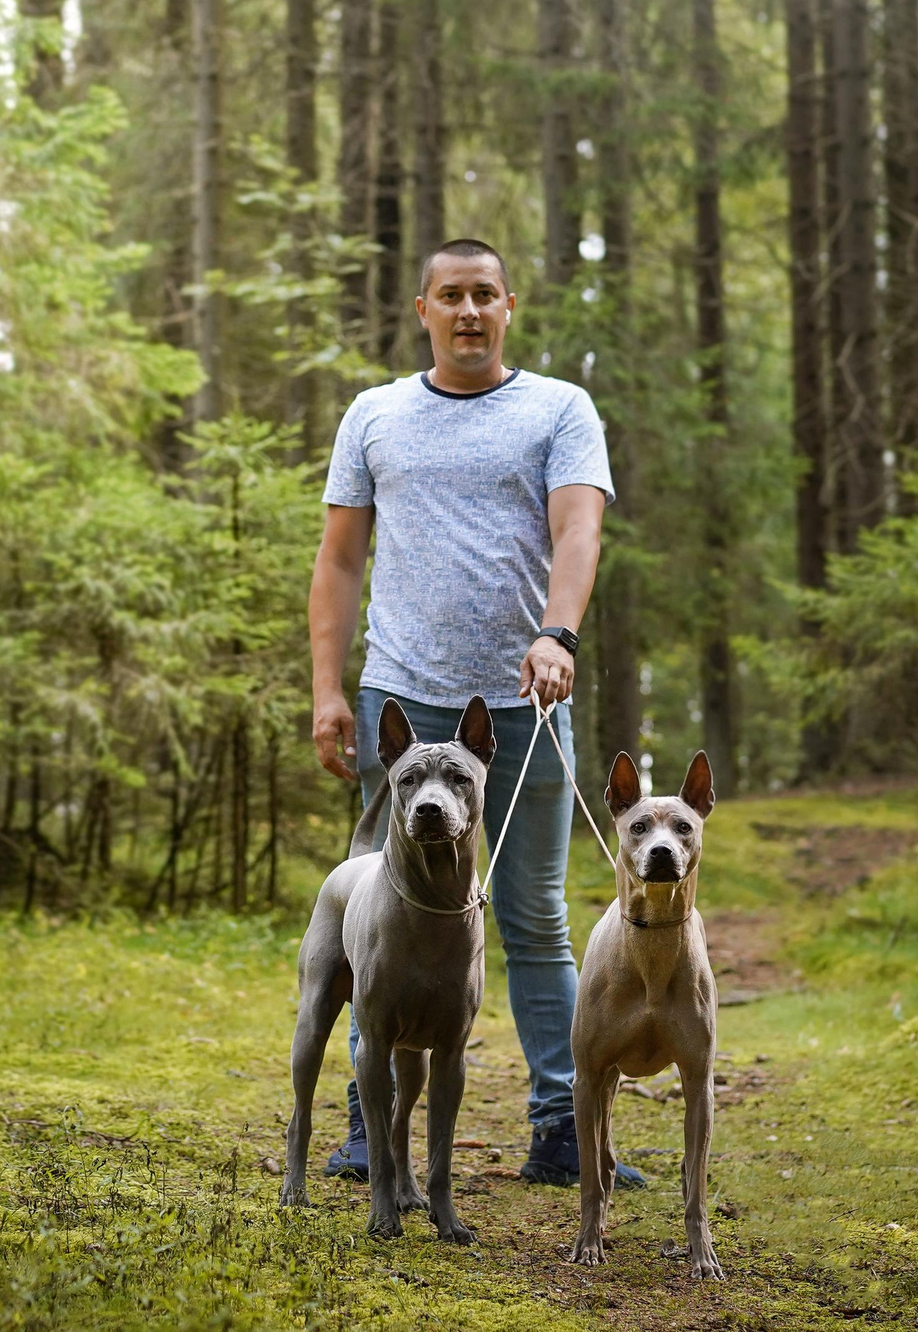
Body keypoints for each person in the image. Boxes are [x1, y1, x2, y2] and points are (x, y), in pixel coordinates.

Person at [307, 237, 642, 1191]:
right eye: (449, 294)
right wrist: (331, 690)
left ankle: (566, 1127)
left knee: (534, 916)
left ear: (507, 308)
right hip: (402, 708)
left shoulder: (558, 410)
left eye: (483, 295)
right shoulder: (374, 414)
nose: (466, 311)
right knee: (387, 914)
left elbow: (580, 526)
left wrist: (559, 636)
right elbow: (337, 562)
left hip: (523, 708)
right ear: (422, 308)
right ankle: (371, 1131)